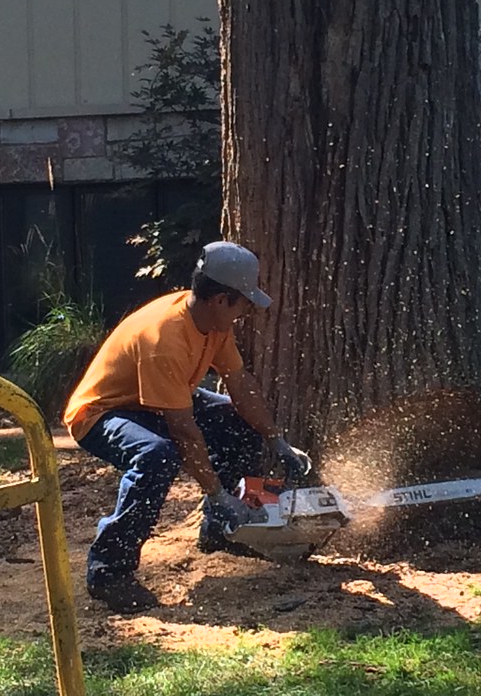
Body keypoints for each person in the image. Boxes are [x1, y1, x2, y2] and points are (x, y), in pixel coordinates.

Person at [63, 240, 310, 613]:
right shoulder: (165, 338)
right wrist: (216, 492)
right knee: (156, 456)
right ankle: (109, 572)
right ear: (221, 299)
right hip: (101, 413)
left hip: (154, 401)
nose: (246, 311)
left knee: (234, 419)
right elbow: (183, 431)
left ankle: (221, 529)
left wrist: (276, 441)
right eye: (243, 302)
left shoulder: (213, 324)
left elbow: (240, 385)